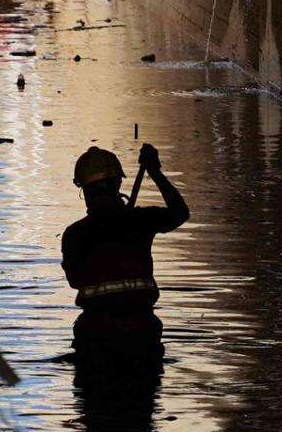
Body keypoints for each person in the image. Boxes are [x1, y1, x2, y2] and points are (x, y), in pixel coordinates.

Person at [61, 143, 189, 368]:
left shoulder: (74, 234)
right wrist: (155, 172)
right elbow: (180, 213)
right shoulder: (140, 221)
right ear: (118, 183)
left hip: (95, 335)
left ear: (85, 191)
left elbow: (74, 281)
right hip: (142, 332)